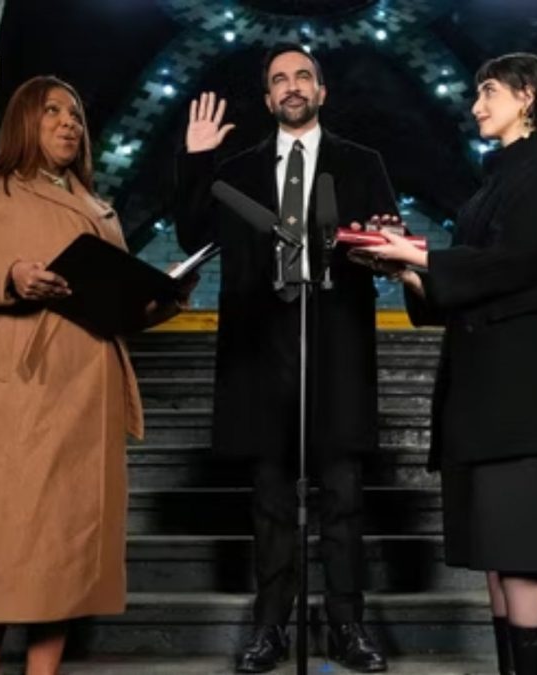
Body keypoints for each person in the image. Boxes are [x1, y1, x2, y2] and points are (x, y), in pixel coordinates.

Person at [0, 75, 188, 675]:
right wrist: (10, 276)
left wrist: (165, 297)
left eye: (76, 114)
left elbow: (118, 308)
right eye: (53, 112)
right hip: (9, 387)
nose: (70, 122)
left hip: (85, 393)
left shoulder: (101, 209)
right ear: (23, 121)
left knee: (62, 548)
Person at [352, 53, 537, 675]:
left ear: (527, 95)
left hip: (524, 392)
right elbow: (465, 286)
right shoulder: (489, 187)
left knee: (523, 555)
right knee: (496, 553)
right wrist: (403, 266)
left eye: (488, 92)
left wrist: (424, 257)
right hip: (479, 392)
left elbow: (520, 261)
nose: (476, 106)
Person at [173, 43, 397, 673]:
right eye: (280, 80)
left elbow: (387, 234)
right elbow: (194, 234)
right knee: (270, 498)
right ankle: (269, 628)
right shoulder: (237, 171)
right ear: (268, 99)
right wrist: (195, 160)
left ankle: (348, 627)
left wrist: (382, 246)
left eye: (303, 76)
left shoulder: (362, 163)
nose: (292, 86)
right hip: (258, 351)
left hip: (337, 347)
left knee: (345, 495)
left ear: (321, 92)